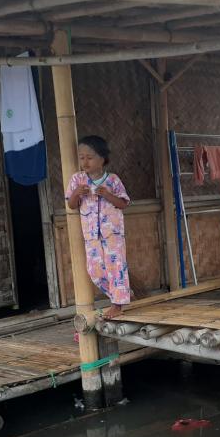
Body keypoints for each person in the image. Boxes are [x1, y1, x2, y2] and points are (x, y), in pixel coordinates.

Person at [65, 135, 131, 319]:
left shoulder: (113, 180)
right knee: (95, 270)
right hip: (91, 235)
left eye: (89, 157)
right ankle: (121, 294)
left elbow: (123, 203)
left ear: (102, 159)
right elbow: (71, 204)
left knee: (116, 267)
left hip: (113, 234)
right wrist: (77, 193)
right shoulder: (77, 180)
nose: (85, 162)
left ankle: (117, 304)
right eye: (81, 157)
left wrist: (107, 195)